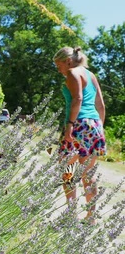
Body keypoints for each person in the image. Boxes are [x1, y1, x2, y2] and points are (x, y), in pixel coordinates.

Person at [53, 46, 106, 225]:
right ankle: (91, 217)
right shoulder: (91, 75)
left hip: (78, 125)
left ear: (68, 61)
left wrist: (69, 125)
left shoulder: (73, 73)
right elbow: (101, 106)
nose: (58, 70)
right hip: (94, 125)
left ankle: (70, 214)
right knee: (87, 173)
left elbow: (78, 99)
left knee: (67, 170)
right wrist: (99, 128)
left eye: (58, 65)